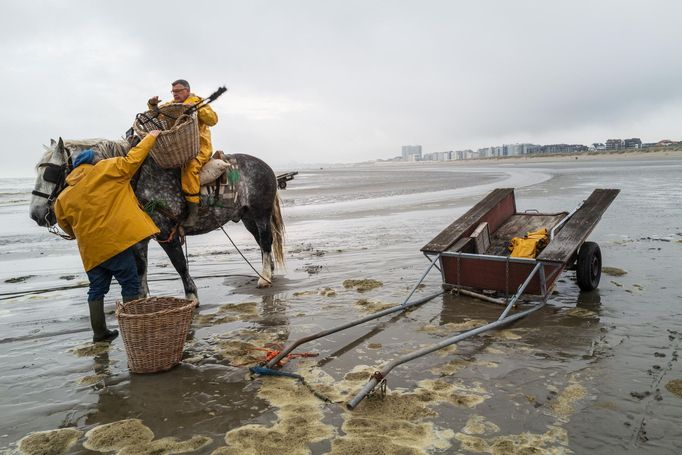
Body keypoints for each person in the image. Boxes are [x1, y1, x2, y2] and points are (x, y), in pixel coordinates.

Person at [54, 131, 161, 343]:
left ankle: (100, 333)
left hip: (90, 253)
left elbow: (66, 226)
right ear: (94, 162)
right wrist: (150, 137)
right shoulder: (106, 170)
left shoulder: (64, 196)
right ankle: (134, 331)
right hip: (116, 245)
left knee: (96, 290)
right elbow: (133, 159)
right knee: (130, 284)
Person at [148, 79, 218, 228]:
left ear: (187, 90)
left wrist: (198, 109)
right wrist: (152, 105)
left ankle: (193, 211)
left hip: (199, 148)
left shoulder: (199, 102)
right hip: (179, 148)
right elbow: (158, 115)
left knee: (189, 167)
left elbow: (213, 120)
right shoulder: (172, 105)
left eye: (178, 91)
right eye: (173, 91)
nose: (175, 94)